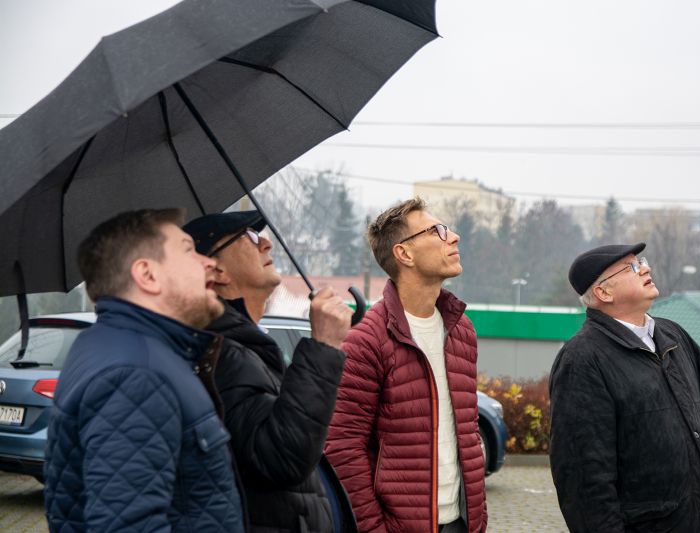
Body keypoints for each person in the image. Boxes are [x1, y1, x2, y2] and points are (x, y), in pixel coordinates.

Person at [549, 242, 700, 533]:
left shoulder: (674, 336)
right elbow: (583, 476)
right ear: (604, 293)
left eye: (641, 261)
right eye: (630, 267)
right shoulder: (582, 359)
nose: (645, 269)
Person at [44, 209, 244, 532]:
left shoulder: (116, 346)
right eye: (188, 250)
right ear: (147, 275)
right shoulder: (136, 374)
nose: (210, 262)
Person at [183, 210, 355, 533]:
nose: (266, 243)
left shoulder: (245, 346)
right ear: (216, 270)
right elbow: (282, 456)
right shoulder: (222, 355)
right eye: (249, 237)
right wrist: (323, 346)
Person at [325, 197, 488, 533]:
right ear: (404, 254)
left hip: (462, 522)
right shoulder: (367, 340)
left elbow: (468, 429)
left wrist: (478, 518)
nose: (453, 237)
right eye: (437, 231)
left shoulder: (462, 330)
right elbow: (342, 448)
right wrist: (374, 528)